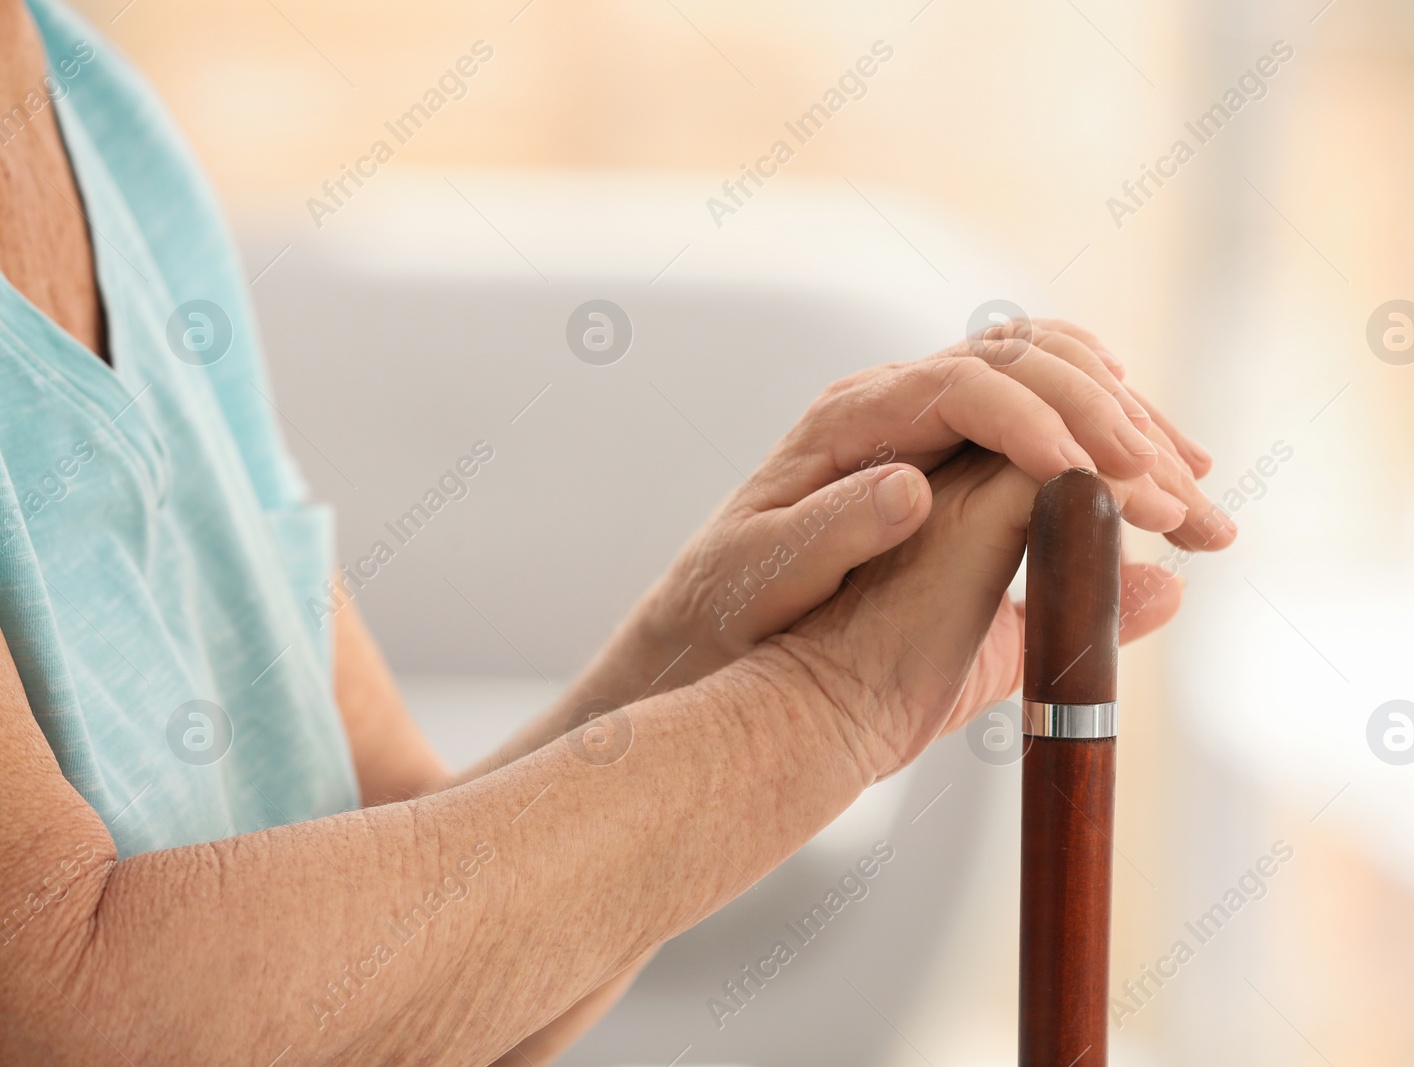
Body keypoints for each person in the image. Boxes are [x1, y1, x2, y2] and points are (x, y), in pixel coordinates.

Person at [0, 0, 1235, 1062]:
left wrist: (698, 650)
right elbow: (80, 1010)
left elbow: (385, 965)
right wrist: (812, 710)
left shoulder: (94, 111)